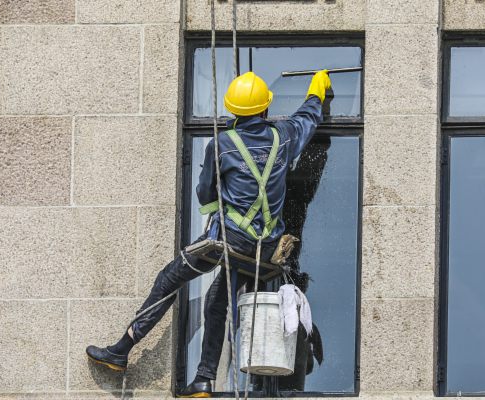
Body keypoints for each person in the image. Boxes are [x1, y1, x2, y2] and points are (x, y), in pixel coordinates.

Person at [85, 70, 331, 398]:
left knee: (169, 279)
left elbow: (204, 194)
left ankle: (121, 349)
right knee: (217, 300)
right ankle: (203, 380)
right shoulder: (282, 137)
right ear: (265, 109)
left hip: (230, 241)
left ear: (233, 111)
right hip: (266, 248)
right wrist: (317, 90)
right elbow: (307, 120)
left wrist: (223, 203)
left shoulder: (222, 144)